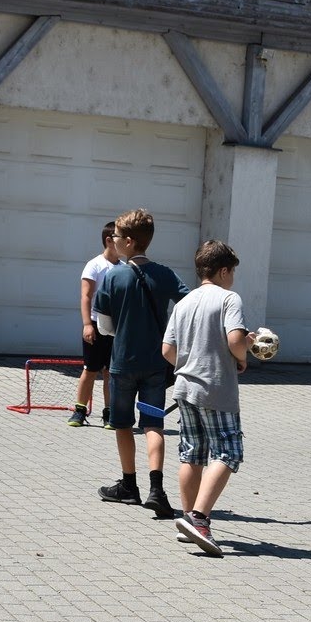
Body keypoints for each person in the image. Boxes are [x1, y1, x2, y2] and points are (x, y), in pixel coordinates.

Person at [161, 240, 256, 557]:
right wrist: (243, 353)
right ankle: (199, 519)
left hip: (184, 387)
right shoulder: (229, 298)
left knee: (192, 454)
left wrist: (189, 363)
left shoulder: (185, 302)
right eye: (233, 272)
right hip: (216, 388)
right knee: (228, 452)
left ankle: (188, 521)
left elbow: (167, 350)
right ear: (224, 271)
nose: (233, 279)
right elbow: (235, 340)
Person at [92, 208, 186, 519]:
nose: (112, 239)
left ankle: (129, 485)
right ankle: (157, 489)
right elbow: (188, 305)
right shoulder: (165, 274)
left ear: (130, 241)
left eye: (117, 236)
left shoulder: (113, 276)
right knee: (153, 424)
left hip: (122, 365)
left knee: (122, 424)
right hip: (156, 366)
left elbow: (104, 326)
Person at [68, 221, 117, 428]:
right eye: (121, 237)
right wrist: (87, 324)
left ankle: (109, 413)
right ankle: (79, 411)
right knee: (90, 369)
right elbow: (86, 296)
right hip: (96, 325)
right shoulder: (94, 265)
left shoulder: (125, 268)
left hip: (115, 328)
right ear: (109, 240)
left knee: (110, 372)